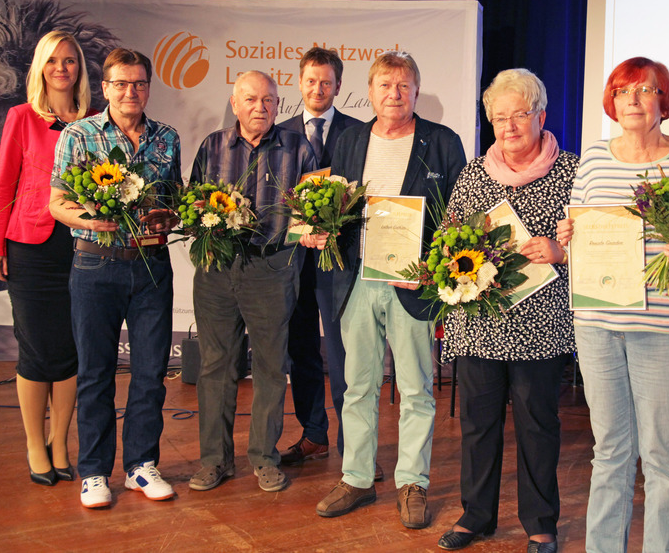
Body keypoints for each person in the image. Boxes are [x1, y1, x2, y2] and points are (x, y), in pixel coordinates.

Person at [557, 57, 669, 552]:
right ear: (611, 102)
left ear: (665, 99)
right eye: (622, 92)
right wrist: (569, 236)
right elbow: (576, 237)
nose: (632, 100)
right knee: (609, 451)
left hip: (666, 329)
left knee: (662, 457)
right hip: (597, 324)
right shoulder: (592, 158)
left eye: (644, 90)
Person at [314, 51, 466, 529]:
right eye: (384, 85)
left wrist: (433, 271)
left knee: (416, 387)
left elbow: (458, 216)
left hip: (414, 281)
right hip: (357, 279)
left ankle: (412, 482)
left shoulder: (442, 142)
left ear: (417, 91)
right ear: (371, 89)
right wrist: (319, 226)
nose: (394, 94)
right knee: (357, 385)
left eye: (403, 86)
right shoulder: (350, 139)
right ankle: (357, 477)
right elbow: (336, 202)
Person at [435, 69, 577, 552]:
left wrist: (561, 254)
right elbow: (448, 238)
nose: (510, 126)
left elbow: (596, 244)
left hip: (542, 324)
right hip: (481, 324)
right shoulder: (475, 173)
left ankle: (540, 521)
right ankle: (476, 514)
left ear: (541, 114)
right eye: (499, 117)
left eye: (519, 115)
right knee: (477, 423)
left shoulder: (572, 173)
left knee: (538, 423)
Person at [49, 48, 181, 509]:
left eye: (139, 83)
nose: (131, 91)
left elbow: (174, 199)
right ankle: (94, 472)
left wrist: (171, 216)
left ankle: (141, 465)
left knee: (150, 372)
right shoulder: (77, 135)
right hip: (94, 265)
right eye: (121, 83)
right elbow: (56, 201)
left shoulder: (168, 138)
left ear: (148, 87)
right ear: (104, 87)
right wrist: (90, 218)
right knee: (96, 373)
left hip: (151, 267)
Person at [188, 70, 317, 494]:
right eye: (250, 99)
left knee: (269, 368)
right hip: (217, 270)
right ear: (234, 102)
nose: (259, 108)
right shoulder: (212, 146)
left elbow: (312, 212)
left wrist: (307, 233)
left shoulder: (299, 148)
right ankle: (215, 462)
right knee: (215, 368)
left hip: (273, 270)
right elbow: (193, 203)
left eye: (268, 100)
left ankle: (264, 457)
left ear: (279, 104)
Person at [0, 31, 97, 486]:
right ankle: (35, 444)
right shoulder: (21, 117)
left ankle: (60, 441)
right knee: (35, 349)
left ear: (80, 69)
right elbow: (4, 184)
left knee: (71, 350)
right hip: (29, 246)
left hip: (80, 246)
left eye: (69, 60)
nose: (61, 68)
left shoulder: (95, 120)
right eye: (53, 60)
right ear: (40, 66)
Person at [277, 47, 362, 469]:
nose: (318, 89)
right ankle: (314, 435)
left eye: (326, 82)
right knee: (302, 350)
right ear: (299, 82)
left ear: (339, 86)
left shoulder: (357, 132)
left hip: (340, 263)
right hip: (293, 263)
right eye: (311, 81)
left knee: (344, 354)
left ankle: (354, 449)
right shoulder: (281, 132)